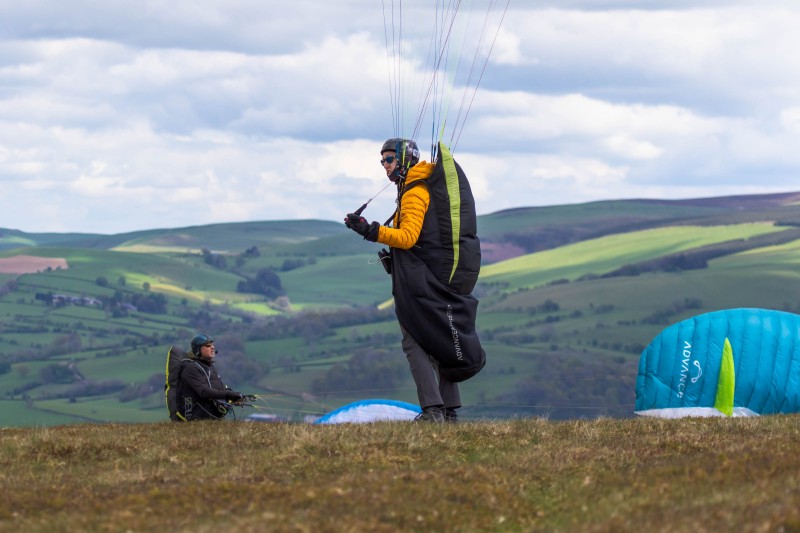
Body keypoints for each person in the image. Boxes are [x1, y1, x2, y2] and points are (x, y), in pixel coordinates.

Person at [345, 138, 462, 423]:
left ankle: (433, 411)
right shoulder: (417, 188)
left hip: (421, 283)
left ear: (405, 159)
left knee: (414, 342)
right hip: (433, 279)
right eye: (382, 161)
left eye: (389, 159)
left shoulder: (414, 192)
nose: (384, 166)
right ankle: (448, 412)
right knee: (437, 340)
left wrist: (371, 231)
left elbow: (408, 237)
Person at [175, 333, 244, 421]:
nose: (212, 347)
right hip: (196, 420)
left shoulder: (208, 366)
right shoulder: (191, 368)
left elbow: (218, 389)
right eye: (208, 345)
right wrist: (228, 395)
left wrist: (233, 396)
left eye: (212, 345)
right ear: (198, 349)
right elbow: (204, 392)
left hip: (212, 418)